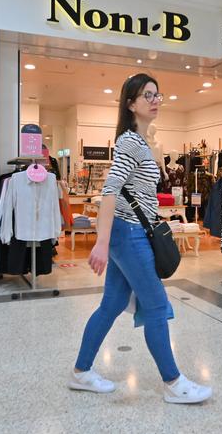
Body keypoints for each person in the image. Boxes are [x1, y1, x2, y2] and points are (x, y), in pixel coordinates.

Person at [68, 73, 212, 404]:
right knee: (157, 306)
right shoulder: (130, 142)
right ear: (131, 103)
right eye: (148, 95)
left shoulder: (141, 142)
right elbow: (109, 190)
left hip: (130, 231)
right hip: (128, 233)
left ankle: (81, 372)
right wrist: (101, 243)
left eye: (158, 95)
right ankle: (174, 384)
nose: (156, 100)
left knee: (113, 303)